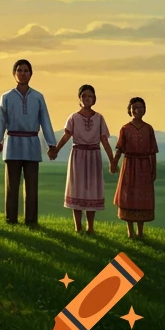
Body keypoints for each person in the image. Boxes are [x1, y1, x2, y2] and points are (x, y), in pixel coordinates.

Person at [0, 58, 58, 226]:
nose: (22, 73)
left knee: (32, 187)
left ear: (31, 74)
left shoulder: (38, 97)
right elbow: (1, 121)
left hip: (32, 143)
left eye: (26, 71)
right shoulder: (6, 97)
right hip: (12, 142)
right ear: (14, 74)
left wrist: (52, 144)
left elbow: (45, 121)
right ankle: (10, 219)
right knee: (11, 187)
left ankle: (31, 220)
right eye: (19, 70)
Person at [51, 84, 115, 234]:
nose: (87, 99)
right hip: (78, 155)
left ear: (94, 99)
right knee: (77, 189)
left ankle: (90, 227)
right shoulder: (73, 117)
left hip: (94, 156)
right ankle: (78, 226)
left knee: (92, 190)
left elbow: (104, 140)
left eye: (90, 96)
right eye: (84, 96)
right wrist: (56, 150)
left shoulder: (99, 118)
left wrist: (112, 160)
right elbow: (66, 135)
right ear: (79, 99)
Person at [112, 97, 158, 240]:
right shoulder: (125, 129)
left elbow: (152, 152)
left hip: (144, 165)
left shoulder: (149, 128)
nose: (138, 110)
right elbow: (119, 148)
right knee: (128, 197)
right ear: (129, 110)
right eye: (134, 107)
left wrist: (153, 170)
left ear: (145, 109)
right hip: (129, 165)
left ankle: (140, 231)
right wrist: (114, 163)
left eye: (140, 107)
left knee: (142, 198)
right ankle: (130, 231)